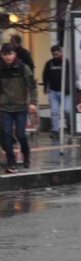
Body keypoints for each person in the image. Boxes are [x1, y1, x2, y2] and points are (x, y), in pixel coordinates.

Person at [0, 43, 37, 174]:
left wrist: (33, 103)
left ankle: (26, 154)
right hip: (5, 108)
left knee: (21, 135)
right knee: (6, 135)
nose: (7, 57)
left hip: (20, 107)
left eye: (10, 54)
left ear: (14, 54)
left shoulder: (23, 68)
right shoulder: (1, 68)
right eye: (4, 54)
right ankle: (11, 161)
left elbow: (32, 86)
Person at [42, 45, 71, 138]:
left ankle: (70, 125)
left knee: (67, 110)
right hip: (53, 91)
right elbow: (45, 75)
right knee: (54, 111)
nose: (55, 54)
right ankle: (55, 130)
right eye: (53, 53)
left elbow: (71, 75)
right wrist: (45, 87)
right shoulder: (49, 64)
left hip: (66, 92)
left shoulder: (66, 62)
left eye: (57, 52)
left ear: (61, 52)